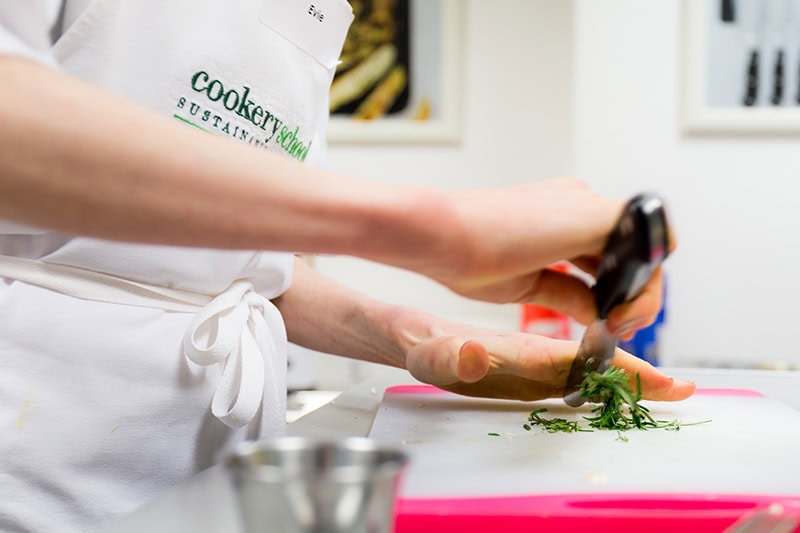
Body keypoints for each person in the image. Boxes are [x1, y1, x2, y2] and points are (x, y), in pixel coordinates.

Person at [0, 2, 694, 531]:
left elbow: (242, 265)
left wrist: (413, 335)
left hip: (213, 471)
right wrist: (435, 228)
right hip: (37, 461)